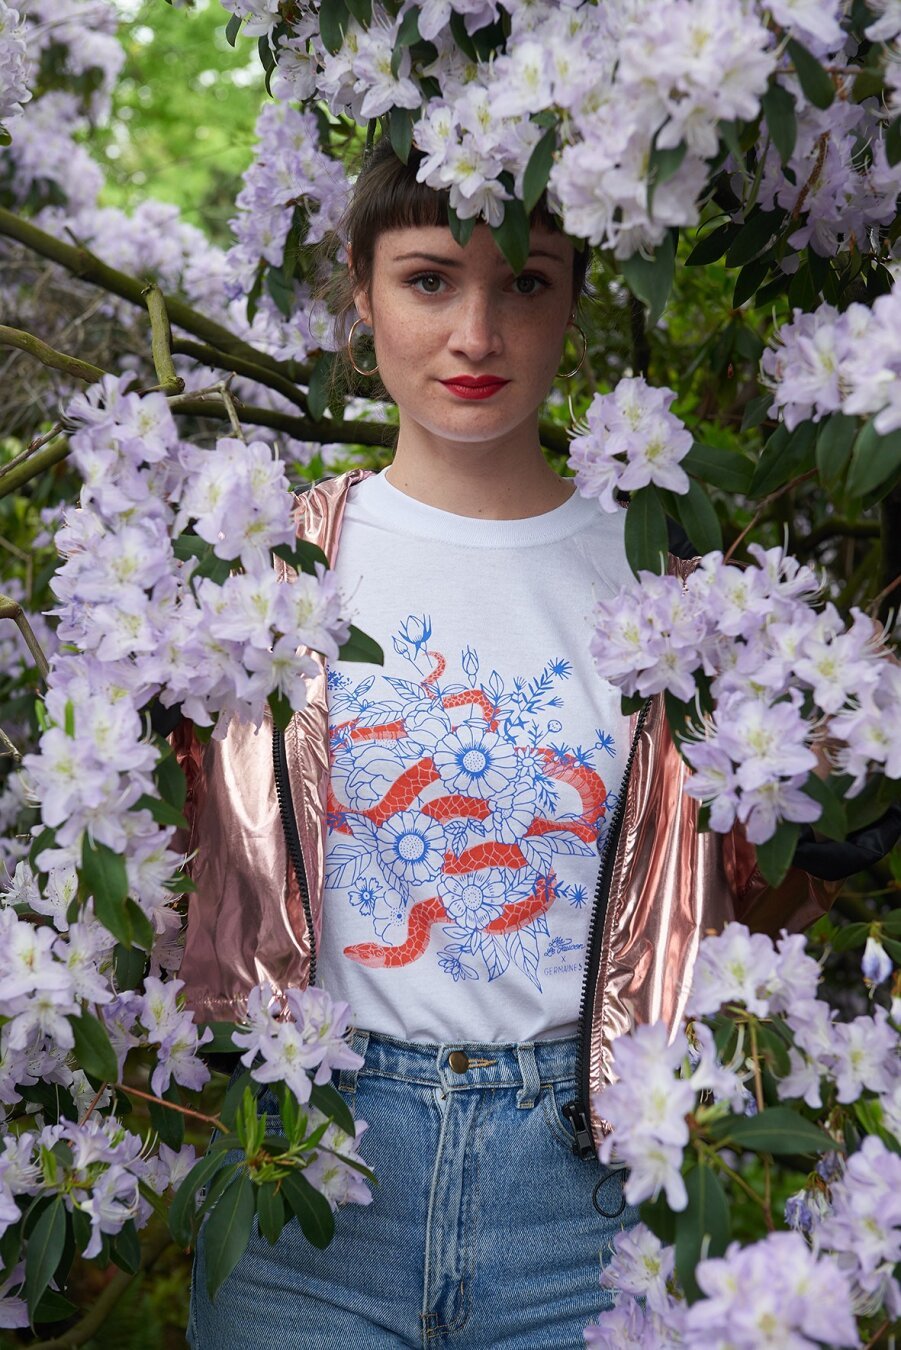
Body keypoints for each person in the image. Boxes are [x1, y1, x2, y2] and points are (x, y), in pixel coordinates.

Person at [177, 139, 887, 1348]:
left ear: (575, 300)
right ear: (359, 289)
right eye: (429, 279)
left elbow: (739, 899)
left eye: (527, 284)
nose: (476, 336)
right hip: (310, 1177)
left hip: (583, 1192)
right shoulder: (263, 569)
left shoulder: (671, 585)